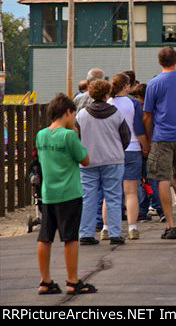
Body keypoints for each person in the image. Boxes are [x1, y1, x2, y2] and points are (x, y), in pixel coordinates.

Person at [36, 95, 94, 295]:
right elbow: (85, 160)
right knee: (70, 238)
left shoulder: (41, 134)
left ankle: (45, 281)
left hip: (48, 193)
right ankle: (72, 280)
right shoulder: (69, 136)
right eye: (74, 114)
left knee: (45, 237)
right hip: (69, 193)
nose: (75, 117)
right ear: (68, 112)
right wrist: (76, 134)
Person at [143, 47, 176, 240]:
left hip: (162, 136)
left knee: (163, 179)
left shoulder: (154, 84)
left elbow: (147, 114)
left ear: (159, 62)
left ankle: (170, 225)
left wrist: (148, 139)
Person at [76, 79, 129, 245]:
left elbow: (76, 138)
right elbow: (125, 137)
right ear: (107, 94)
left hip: (88, 161)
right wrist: (118, 149)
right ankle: (115, 233)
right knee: (113, 197)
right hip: (113, 159)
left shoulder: (82, 115)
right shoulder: (116, 113)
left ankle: (86, 233)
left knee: (88, 197)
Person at [109, 73, 148, 240]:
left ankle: (106, 227)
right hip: (132, 148)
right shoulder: (133, 104)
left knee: (109, 192)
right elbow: (139, 129)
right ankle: (132, 227)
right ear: (126, 86)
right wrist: (145, 146)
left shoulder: (108, 103)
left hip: (111, 150)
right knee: (131, 191)